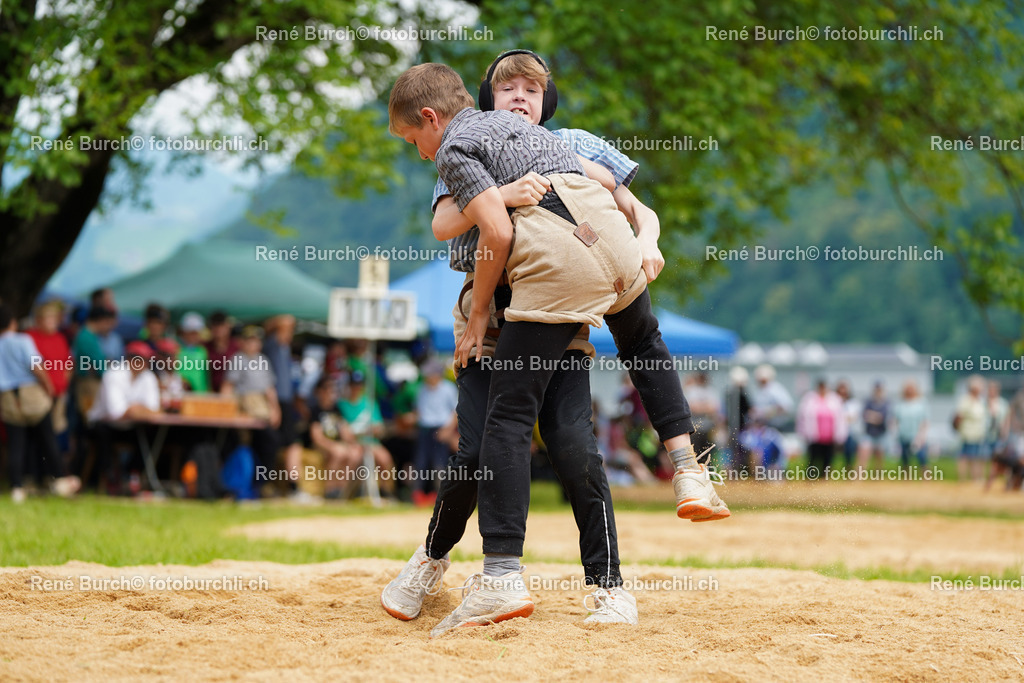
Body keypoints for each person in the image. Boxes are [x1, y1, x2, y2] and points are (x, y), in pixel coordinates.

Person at [387, 57, 727, 635]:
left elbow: (604, 203)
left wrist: (645, 237)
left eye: (532, 89)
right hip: (532, 295)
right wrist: (503, 192)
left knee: (554, 438)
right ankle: (433, 559)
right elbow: (446, 222)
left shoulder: (541, 142)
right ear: (483, 97)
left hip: (552, 301)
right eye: (507, 87)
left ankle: (558, 580)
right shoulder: (488, 141)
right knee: (479, 450)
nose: (519, 97)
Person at [0, 303, 80, 502]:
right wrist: (48, 386)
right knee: (48, 438)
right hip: (31, 393)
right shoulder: (23, 339)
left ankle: (17, 486)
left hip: (7, 396)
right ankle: (59, 480)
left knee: (16, 443)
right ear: (13, 323)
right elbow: (35, 365)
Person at [221, 325, 282, 495]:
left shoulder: (263, 360)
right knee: (239, 446)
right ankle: (237, 485)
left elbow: (270, 389)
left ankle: (263, 484)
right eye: (249, 340)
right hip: (245, 410)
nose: (253, 344)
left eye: (256, 340)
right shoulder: (238, 359)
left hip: (262, 412)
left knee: (271, 443)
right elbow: (228, 387)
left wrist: (275, 409)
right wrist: (228, 410)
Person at [262, 315, 304, 495]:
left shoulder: (284, 348)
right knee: (287, 444)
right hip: (277, 402)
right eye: (287, 330)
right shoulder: (272, 346)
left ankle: (290, 486)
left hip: (285, 402)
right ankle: (290, 487)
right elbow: (279, 323)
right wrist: (282, 322)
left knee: (289, 443)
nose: (290, 333)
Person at [338, 370, 395, 497]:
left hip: (370, 442)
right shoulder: (342, 405)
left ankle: (386, 491)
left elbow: (378, 428)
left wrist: (362, 433)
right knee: (353, 457)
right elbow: (345, 433)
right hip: (353, 443)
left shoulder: (370, 403)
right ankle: (343, 492)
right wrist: (363, 433)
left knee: (385, 458)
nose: (356, 388)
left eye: (359, 385)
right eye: (353, 385)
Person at [304, 376, 361, 499]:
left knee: (354, 454)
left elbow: (344, 430)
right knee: (338, 453)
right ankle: (329, 489)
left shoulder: (336, 409)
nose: (332, 393)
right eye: (329, 389)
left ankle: (342, 489)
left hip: (337, 444)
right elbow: (316, 437)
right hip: (322, 445)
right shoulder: (316, 411)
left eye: (333, 390)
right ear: (320, 391)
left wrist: (352, 443)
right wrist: (333, 446)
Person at [412, 359, 458, 506]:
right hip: (425, 429)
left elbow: (456, 411)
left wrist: (448, 430)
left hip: (441, 429)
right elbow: (419, 411)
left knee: (440, 463)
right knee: (421, 462)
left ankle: (440, 495)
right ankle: (418, 494)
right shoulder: (422, 389)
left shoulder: (448, 389)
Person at [27, 301, 73, 441]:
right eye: (49, 318)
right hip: (39, 393)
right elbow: (34, 365)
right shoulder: (30, 338)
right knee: (40, 435)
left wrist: (64, 383)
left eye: (54, 318)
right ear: (38, 320)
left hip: (59, 393)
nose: (53, 322)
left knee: (55, 431)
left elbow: (68, 363)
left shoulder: (59, 338)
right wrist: (48, 386)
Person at [796, 378, 846, 478]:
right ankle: (810, 477)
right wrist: (802, 432)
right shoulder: (809, 399)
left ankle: (824, 478)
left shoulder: (834, 399)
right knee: (813, 458)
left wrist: (841, 435)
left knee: (827, 459)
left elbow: (841, 418)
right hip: (814, 436)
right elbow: (802, 417)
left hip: (829, 436)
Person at [954, 375, 988, 482]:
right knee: (966, 457)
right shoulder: (965, 400)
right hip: (968, 433)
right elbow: (959, 416)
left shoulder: (980, 400)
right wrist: (958, 429)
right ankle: (964, 479)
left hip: (978, 433)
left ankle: (975, 479)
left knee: (976, 457)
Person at [892, 380, 928, 472]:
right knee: (905, 460)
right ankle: (906, 478)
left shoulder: (921, 403)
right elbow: (896, 420)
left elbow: (924, 422)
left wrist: (921, 436)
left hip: (917, 436)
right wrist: (895, 434)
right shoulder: (900, 404)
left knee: (922, 459)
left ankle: (926, 478)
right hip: (903, 436)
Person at [750, 364, 793, 430]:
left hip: (777, 426)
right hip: (765, 426)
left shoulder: (775, 389)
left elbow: (786, 407)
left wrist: (768, 413)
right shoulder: (759, 391)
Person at [860, 381, 891, 472]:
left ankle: (878, 477)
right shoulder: (868, 402)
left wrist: (872, 416)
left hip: (881, 434)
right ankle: (859, 476)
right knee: (864, 455)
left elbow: (882, 418)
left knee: (879, 458)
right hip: (869, 433)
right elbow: (865, 416)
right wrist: (876, 416)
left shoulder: (886, 403)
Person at [204, 310, 237, 393]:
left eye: (222, 325)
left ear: (228, 327)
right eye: (215, 326)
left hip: (233, 393)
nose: (219, 329)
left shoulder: (237, 347)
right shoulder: (204, 348)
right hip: (209, 394)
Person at [177, 312, 210, 392]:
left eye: (196, 333)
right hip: (182, 394)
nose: (194, 336)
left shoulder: (203, 351)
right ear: (184, 333)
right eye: (191, 333)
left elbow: (207, 375)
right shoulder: (177, 350)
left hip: (201, 395)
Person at [835, 380, 862, 470]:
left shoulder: (853, 403)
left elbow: (853, 417)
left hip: (849, 431)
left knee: (849, 451)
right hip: (835, 431)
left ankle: (848, 468)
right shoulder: (833, 402)